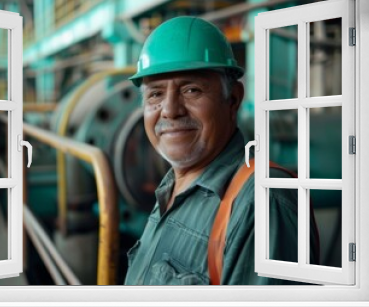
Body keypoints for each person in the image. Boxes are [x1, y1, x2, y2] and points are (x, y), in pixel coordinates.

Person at [124, 16, 319, 285]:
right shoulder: (173, 185)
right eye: (155, 94)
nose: (170, 110)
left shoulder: (262, 204)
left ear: (233, 99)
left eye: (191, 90)